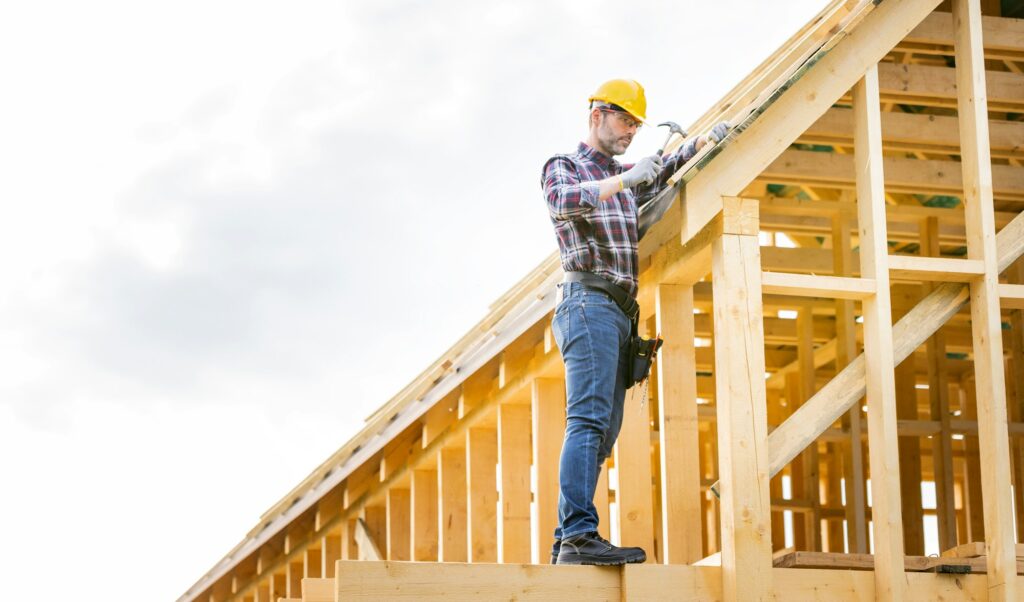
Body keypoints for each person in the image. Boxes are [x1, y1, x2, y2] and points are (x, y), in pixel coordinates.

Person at [541, 79, 728, 565]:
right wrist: (625, 180)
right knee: (586, 420)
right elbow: (565, 202)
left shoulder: (627, 176)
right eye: (624, 120)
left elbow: (662, 167)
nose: (631, 131)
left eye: (637, 125)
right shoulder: (566, 167)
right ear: (596, 115)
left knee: (601, 432)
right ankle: (580, 534)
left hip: (618, 314)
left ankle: (568, 543)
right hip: (588, 302)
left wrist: (702, 142)